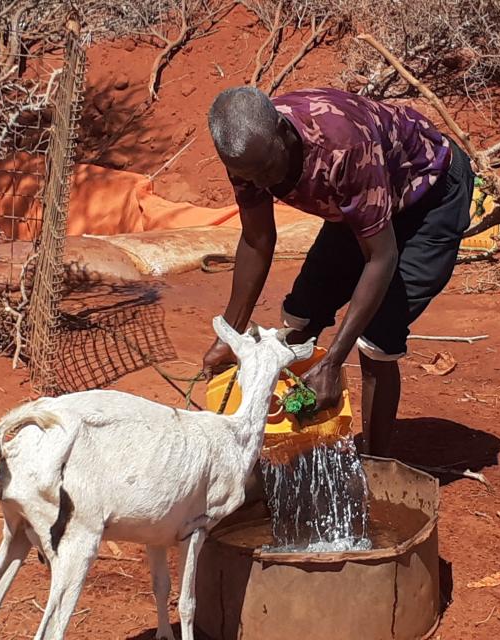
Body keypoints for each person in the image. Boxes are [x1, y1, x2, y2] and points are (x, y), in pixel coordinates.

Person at [201, 86, 475, 457]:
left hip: (429, 196)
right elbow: (257, 240)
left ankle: (375, 467)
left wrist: (333, 361)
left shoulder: (342, 148)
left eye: (268, 170)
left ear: (283, 132)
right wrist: (230, 335)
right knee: (301, 316)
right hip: (364, 205)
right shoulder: (246, 153)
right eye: (251, 176)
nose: (263, 184)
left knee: (378, 338)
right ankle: (301, 448)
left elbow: (382, 257)